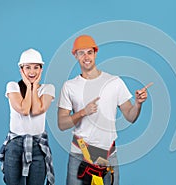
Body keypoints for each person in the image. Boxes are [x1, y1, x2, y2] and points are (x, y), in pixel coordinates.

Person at [57, 35, 149, 185]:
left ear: (95, 53)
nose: (86, 57)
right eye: (81, 53)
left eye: (89, 52)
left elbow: (130, 116)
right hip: (79, 155)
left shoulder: (114, 82)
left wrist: (138, 104)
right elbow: (62, 124)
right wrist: (83, 112)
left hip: (108, 156)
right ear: (75, 55)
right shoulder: (70, 86)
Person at [0, 48, 55, 185]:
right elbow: (24, 109)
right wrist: (28, 87)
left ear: (41, 69)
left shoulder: (48, 88)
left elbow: (37, 110)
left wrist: (34, 86)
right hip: (15, 145)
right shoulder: (12, 86)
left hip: (38, 146)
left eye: (36, 67)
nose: (32, 71)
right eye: (27, 67)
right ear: (21, 69)